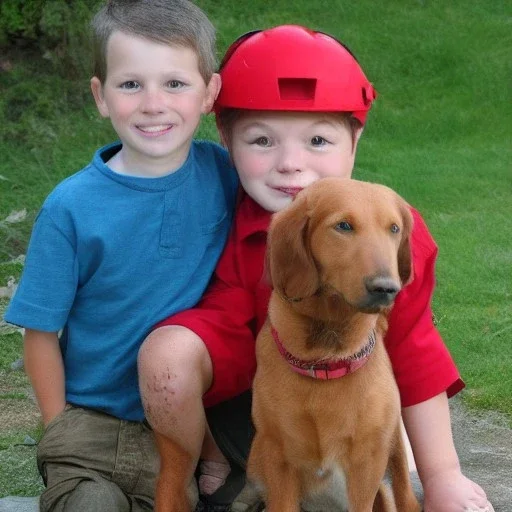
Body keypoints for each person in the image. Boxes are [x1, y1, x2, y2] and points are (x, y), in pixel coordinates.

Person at [139, 25, 493, 512]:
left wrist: (444, 475)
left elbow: (413, 348)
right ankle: (204, 462)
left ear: (356, 139)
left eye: (319, 141)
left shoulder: (391, 230)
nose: (290, 163)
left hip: (349, 391)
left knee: (378, 437)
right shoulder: (217, 207)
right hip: (255, 382)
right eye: (261, 140)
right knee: (172, 353)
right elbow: (215, 327)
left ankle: (386, 471)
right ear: (225, 138)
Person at [3, 1, 238, 511]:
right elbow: (40, 330)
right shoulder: (71, 207)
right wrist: (58, 422)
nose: (153, 104)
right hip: (91, 423)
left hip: (184, 428)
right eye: (130, 85)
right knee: (91, 506)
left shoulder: (224, 175)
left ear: (209, 94)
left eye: (175, 84)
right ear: (101, 97)